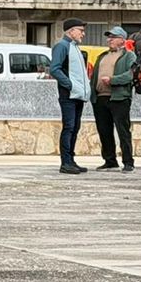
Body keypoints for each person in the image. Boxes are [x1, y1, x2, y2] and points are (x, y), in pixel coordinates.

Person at [90, 27, 137, 172]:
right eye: (108, 37)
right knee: (104, 130)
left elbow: (131, 75)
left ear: (122, 40)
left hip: (119, 98)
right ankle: (110, 160)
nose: (109, 39)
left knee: (123, 130)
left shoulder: (129, 56)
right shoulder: (102, 56)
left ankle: (128, 161)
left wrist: (113, 80)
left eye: (113, 37)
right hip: (100, 98)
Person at [48, 18, 90, 174]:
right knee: (69, 127)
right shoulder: (62, 46)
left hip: (78, 95)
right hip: (69, 94)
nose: (83, 34)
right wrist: (70, 84)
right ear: (71, 31)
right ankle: (65, 162)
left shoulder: (75, 47)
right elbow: (55, 69)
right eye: (80, 30)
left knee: (75, 127)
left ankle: (71, 160)